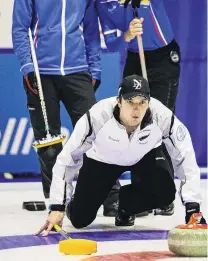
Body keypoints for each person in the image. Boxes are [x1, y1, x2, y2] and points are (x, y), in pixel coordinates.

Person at [35, 74, 206, 236]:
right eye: (130, 101)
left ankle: (125, 206)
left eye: (142, 102)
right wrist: (58, 205)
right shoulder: (97, 116)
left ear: (149, 102)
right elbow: (68, 159)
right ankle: (77, 203)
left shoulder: (161, 116)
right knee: (80, 219)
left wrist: (193, 207)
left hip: (143, 156)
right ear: (119, 101)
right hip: (102, 160)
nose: (136, 109)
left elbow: (185, 157)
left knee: (165, 193)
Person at [93, 0, 192, 215]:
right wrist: (126, 34)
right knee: (133, 121)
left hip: (163, 57)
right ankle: (142, 195)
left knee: (160, 123)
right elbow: (111, 44)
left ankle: (165, 195)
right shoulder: (102, 2)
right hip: (136, 59)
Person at [12, 0, 101, 205]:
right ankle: (57, 201)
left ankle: (105, 198)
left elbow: (90, 32)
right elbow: (20, 29)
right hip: (42, 73)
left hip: (76, 71)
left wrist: (95, 68)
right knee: (49, 142)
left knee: (94, 136)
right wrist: (28, 67)